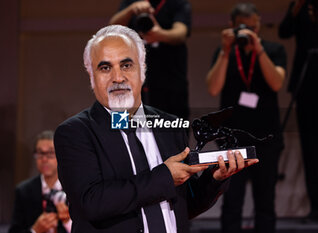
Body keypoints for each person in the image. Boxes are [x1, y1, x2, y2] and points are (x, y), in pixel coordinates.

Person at [54, 25, 258, 233]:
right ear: (91, 76)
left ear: (142, 70)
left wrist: (215, 179)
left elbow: (183, 205)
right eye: (105, 68)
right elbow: (92, 203)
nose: (117, 77)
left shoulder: (169, 125)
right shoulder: (75, 133)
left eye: (126, 65)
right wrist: (165, 178)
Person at [206, 3, 286, 233]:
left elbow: (277, 83)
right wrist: (224, 50)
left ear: (260, 25)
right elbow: (213, 88)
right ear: (232, 26)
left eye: (255, 26)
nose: (251, 31)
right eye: (245, 27)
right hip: (232, 140)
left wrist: (259, 50)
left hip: (266, 139)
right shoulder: (225, 53)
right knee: (232, 202)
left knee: (266, 202)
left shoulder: (273, 50)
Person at [109, 0, 191, 119]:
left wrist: (160, 35)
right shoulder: (131, 2)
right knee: (123, 130)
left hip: (170, 82)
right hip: (130, 83)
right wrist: (131, 9)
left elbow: (181, 33)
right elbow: (112, 29)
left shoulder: (178, 3)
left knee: (172, 131)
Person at [279, 0, 318, 222]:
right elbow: (284, 31)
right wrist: (295, 10)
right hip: (306, 81)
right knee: (310, 148)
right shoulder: (299, 5)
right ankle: (315, 205)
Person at [9, 130, 72, 233]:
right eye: (40, 153)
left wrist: (67, 221)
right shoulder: (24, 191)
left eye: (50, 153)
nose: (44, 159)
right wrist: (35, 230)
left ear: (60, 155)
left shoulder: (73, 188)